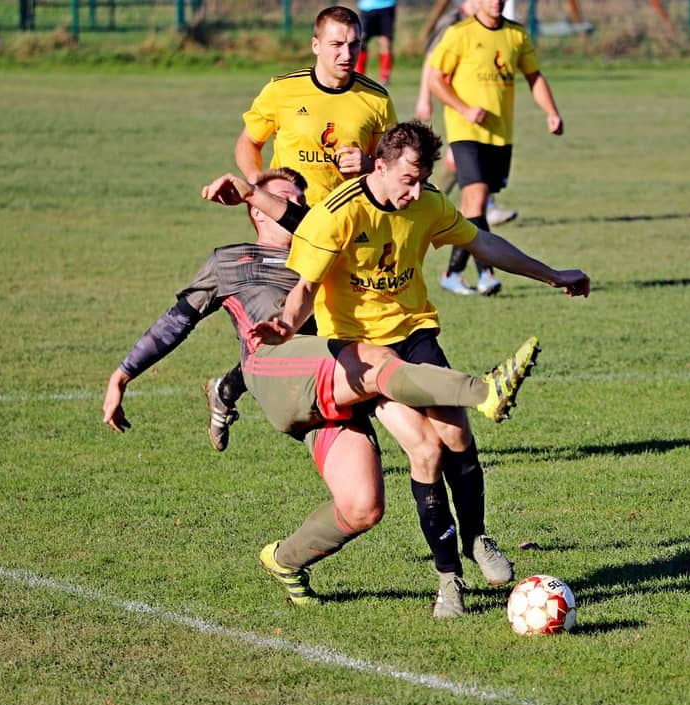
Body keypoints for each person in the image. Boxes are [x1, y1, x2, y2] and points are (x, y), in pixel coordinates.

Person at [103, 169, 540, 608]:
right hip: (278, 368)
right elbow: (177, 321)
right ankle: (483, 390)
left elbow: (354, 220)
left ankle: (286, 560)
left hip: (342, 372)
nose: (295, 204)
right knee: (377, 362)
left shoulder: (327, 247)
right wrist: (123, 375)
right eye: (282, 197)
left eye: (300, 198)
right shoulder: (230, 261)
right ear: (256, 210)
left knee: (372, 498)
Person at [247, 121, 590, 618]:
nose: (414, 191)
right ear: (380, 166)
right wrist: (283, 325)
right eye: (407, 179)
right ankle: (449, 579)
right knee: (425, 450)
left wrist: (552, 275)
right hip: (361, 348)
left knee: (456, 434)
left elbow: (484, 244)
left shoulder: (428, 203)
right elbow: (305, 289)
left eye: (422, 179)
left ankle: (477, 538)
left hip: (415, 333)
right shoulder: (335, 214)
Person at [205, 5, 400, 453]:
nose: (346, 53)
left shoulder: (375, 100)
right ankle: (344, 427)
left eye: (354, 44)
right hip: (292, 229)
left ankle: (228, 389)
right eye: (336, 44)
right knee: (300, 325)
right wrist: (258, 186)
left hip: (346, 231)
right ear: (315, 45)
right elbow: (248, 142)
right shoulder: (283, 90)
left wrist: (370, 162)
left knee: (321, 325)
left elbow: (392, 167)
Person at [427, 0, 564, 296]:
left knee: (471, 208)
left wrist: (551, 112)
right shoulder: (459, 33)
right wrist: (464, 109)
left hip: (500, 135)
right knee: (477, 202)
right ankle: (486, 274)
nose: (496, 2)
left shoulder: (516, 34)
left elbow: (534, 76)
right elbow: (435, 79)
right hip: (465, 132)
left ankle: (452, 273)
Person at [413, 0, 518, 240]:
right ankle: (430, 204)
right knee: (461, 158)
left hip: (478, 106)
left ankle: (472, 206)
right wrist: (424, 98)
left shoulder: (492, 23)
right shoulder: (452, 23)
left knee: (460, 162)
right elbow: (431, 62)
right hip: (455, 104)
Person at [354, 0, 396, 85]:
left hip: (387, 6)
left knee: (385, 42)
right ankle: (359, 76)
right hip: (366, 7)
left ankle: (384, 78)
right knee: (361, 41)